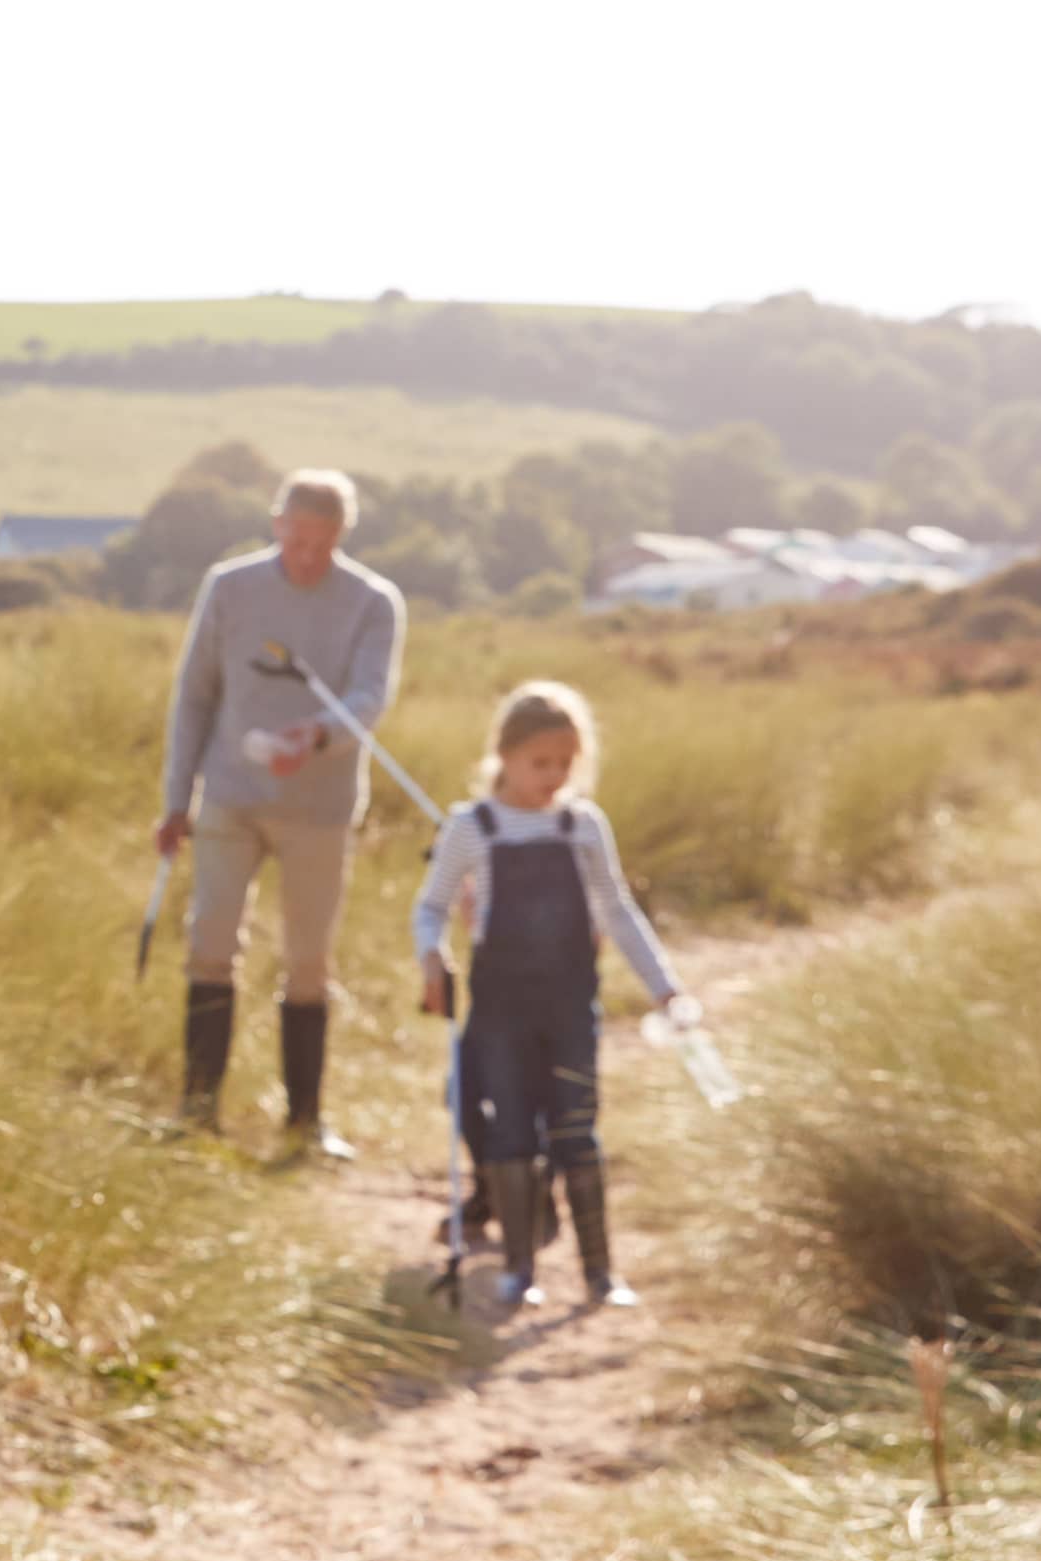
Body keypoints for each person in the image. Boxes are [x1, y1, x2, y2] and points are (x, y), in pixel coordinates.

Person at [411, 679, 700, 1310]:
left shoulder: (583, 825)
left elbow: (618, 912)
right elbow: (430, 907)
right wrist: (431, 956)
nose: (552, 776)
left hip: (571, 1006)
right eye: (539, 763)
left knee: (578, 1129)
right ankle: (520, 1269)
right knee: (510, 1128)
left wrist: (664, 988)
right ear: (505, 755)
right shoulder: (472, 826)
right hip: (499, 1012)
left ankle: (601, 1273)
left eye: (565, 764)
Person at [154, 467, 403, 1153]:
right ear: (275, 526)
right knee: (209, 946)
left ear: (340, 538)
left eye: (320, 546)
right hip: (228, 800)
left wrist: (315, 736)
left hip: (318, 810)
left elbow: (367, 698)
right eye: (294, 541)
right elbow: (194, 697)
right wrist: (175, 800)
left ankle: (305, 1124)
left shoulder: (372, 602)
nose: (305, 558)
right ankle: (196, 1113)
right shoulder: (228, 588)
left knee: (307, 960)